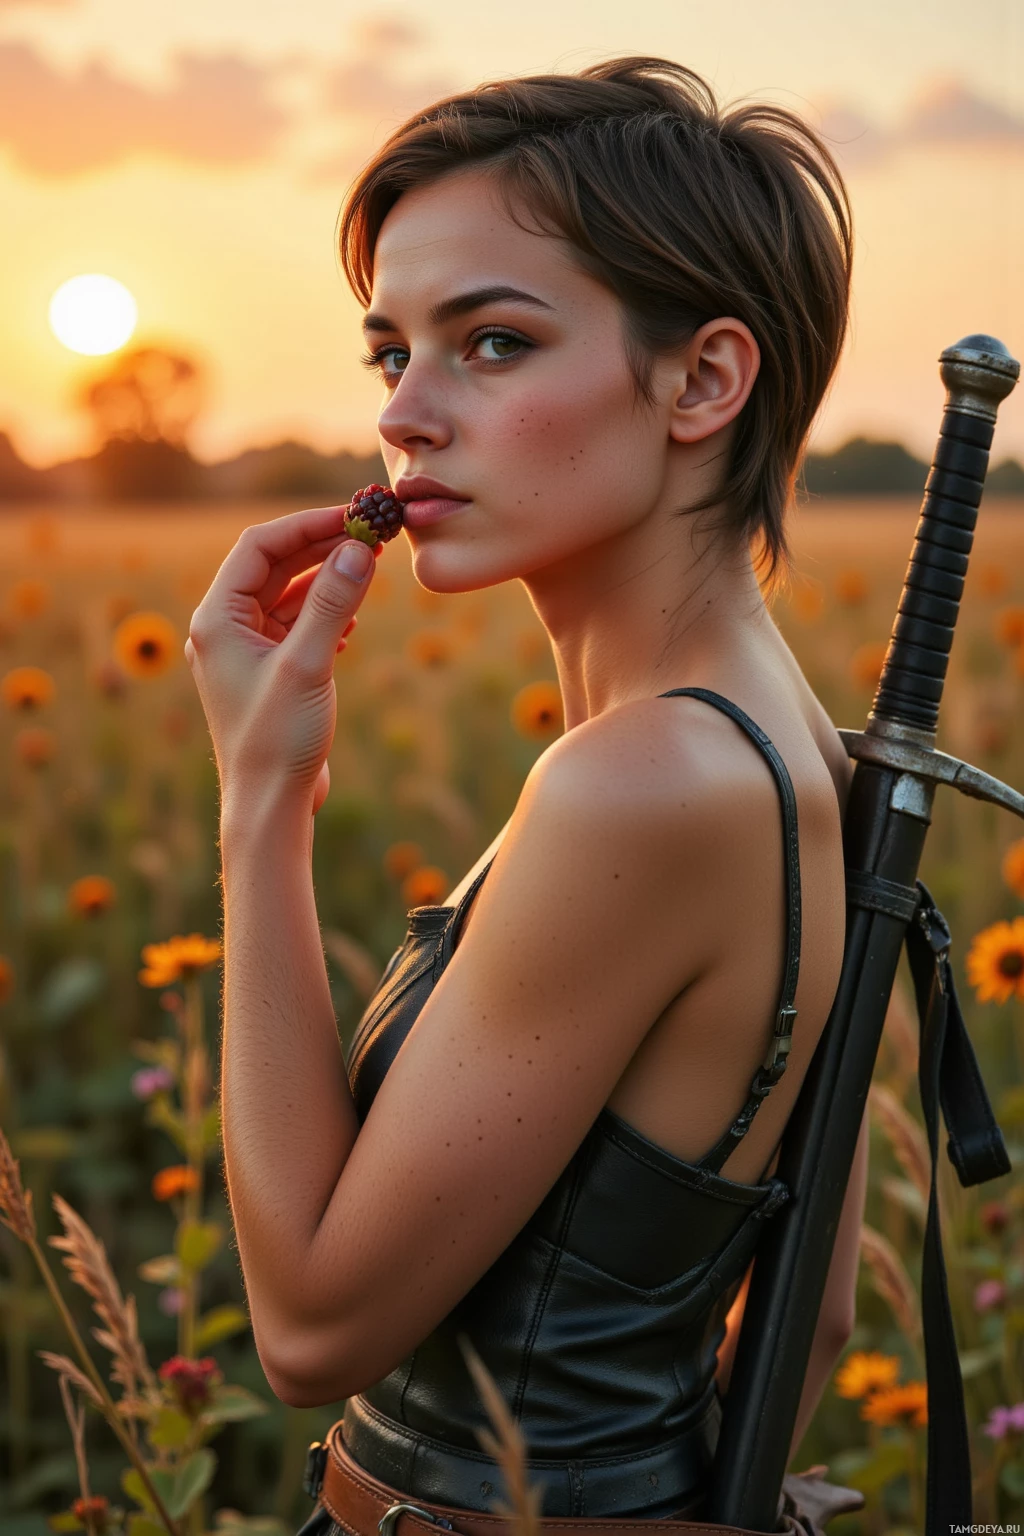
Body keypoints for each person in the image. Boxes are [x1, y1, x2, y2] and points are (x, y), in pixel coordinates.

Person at [184, 55, 871, 1534]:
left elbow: (310, 1332)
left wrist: (261, 798)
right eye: (392, 355)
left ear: (702, 380)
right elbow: (811, 1317)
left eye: (492, 343)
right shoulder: (795, 739)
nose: (409, 416)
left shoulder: (635, 786)